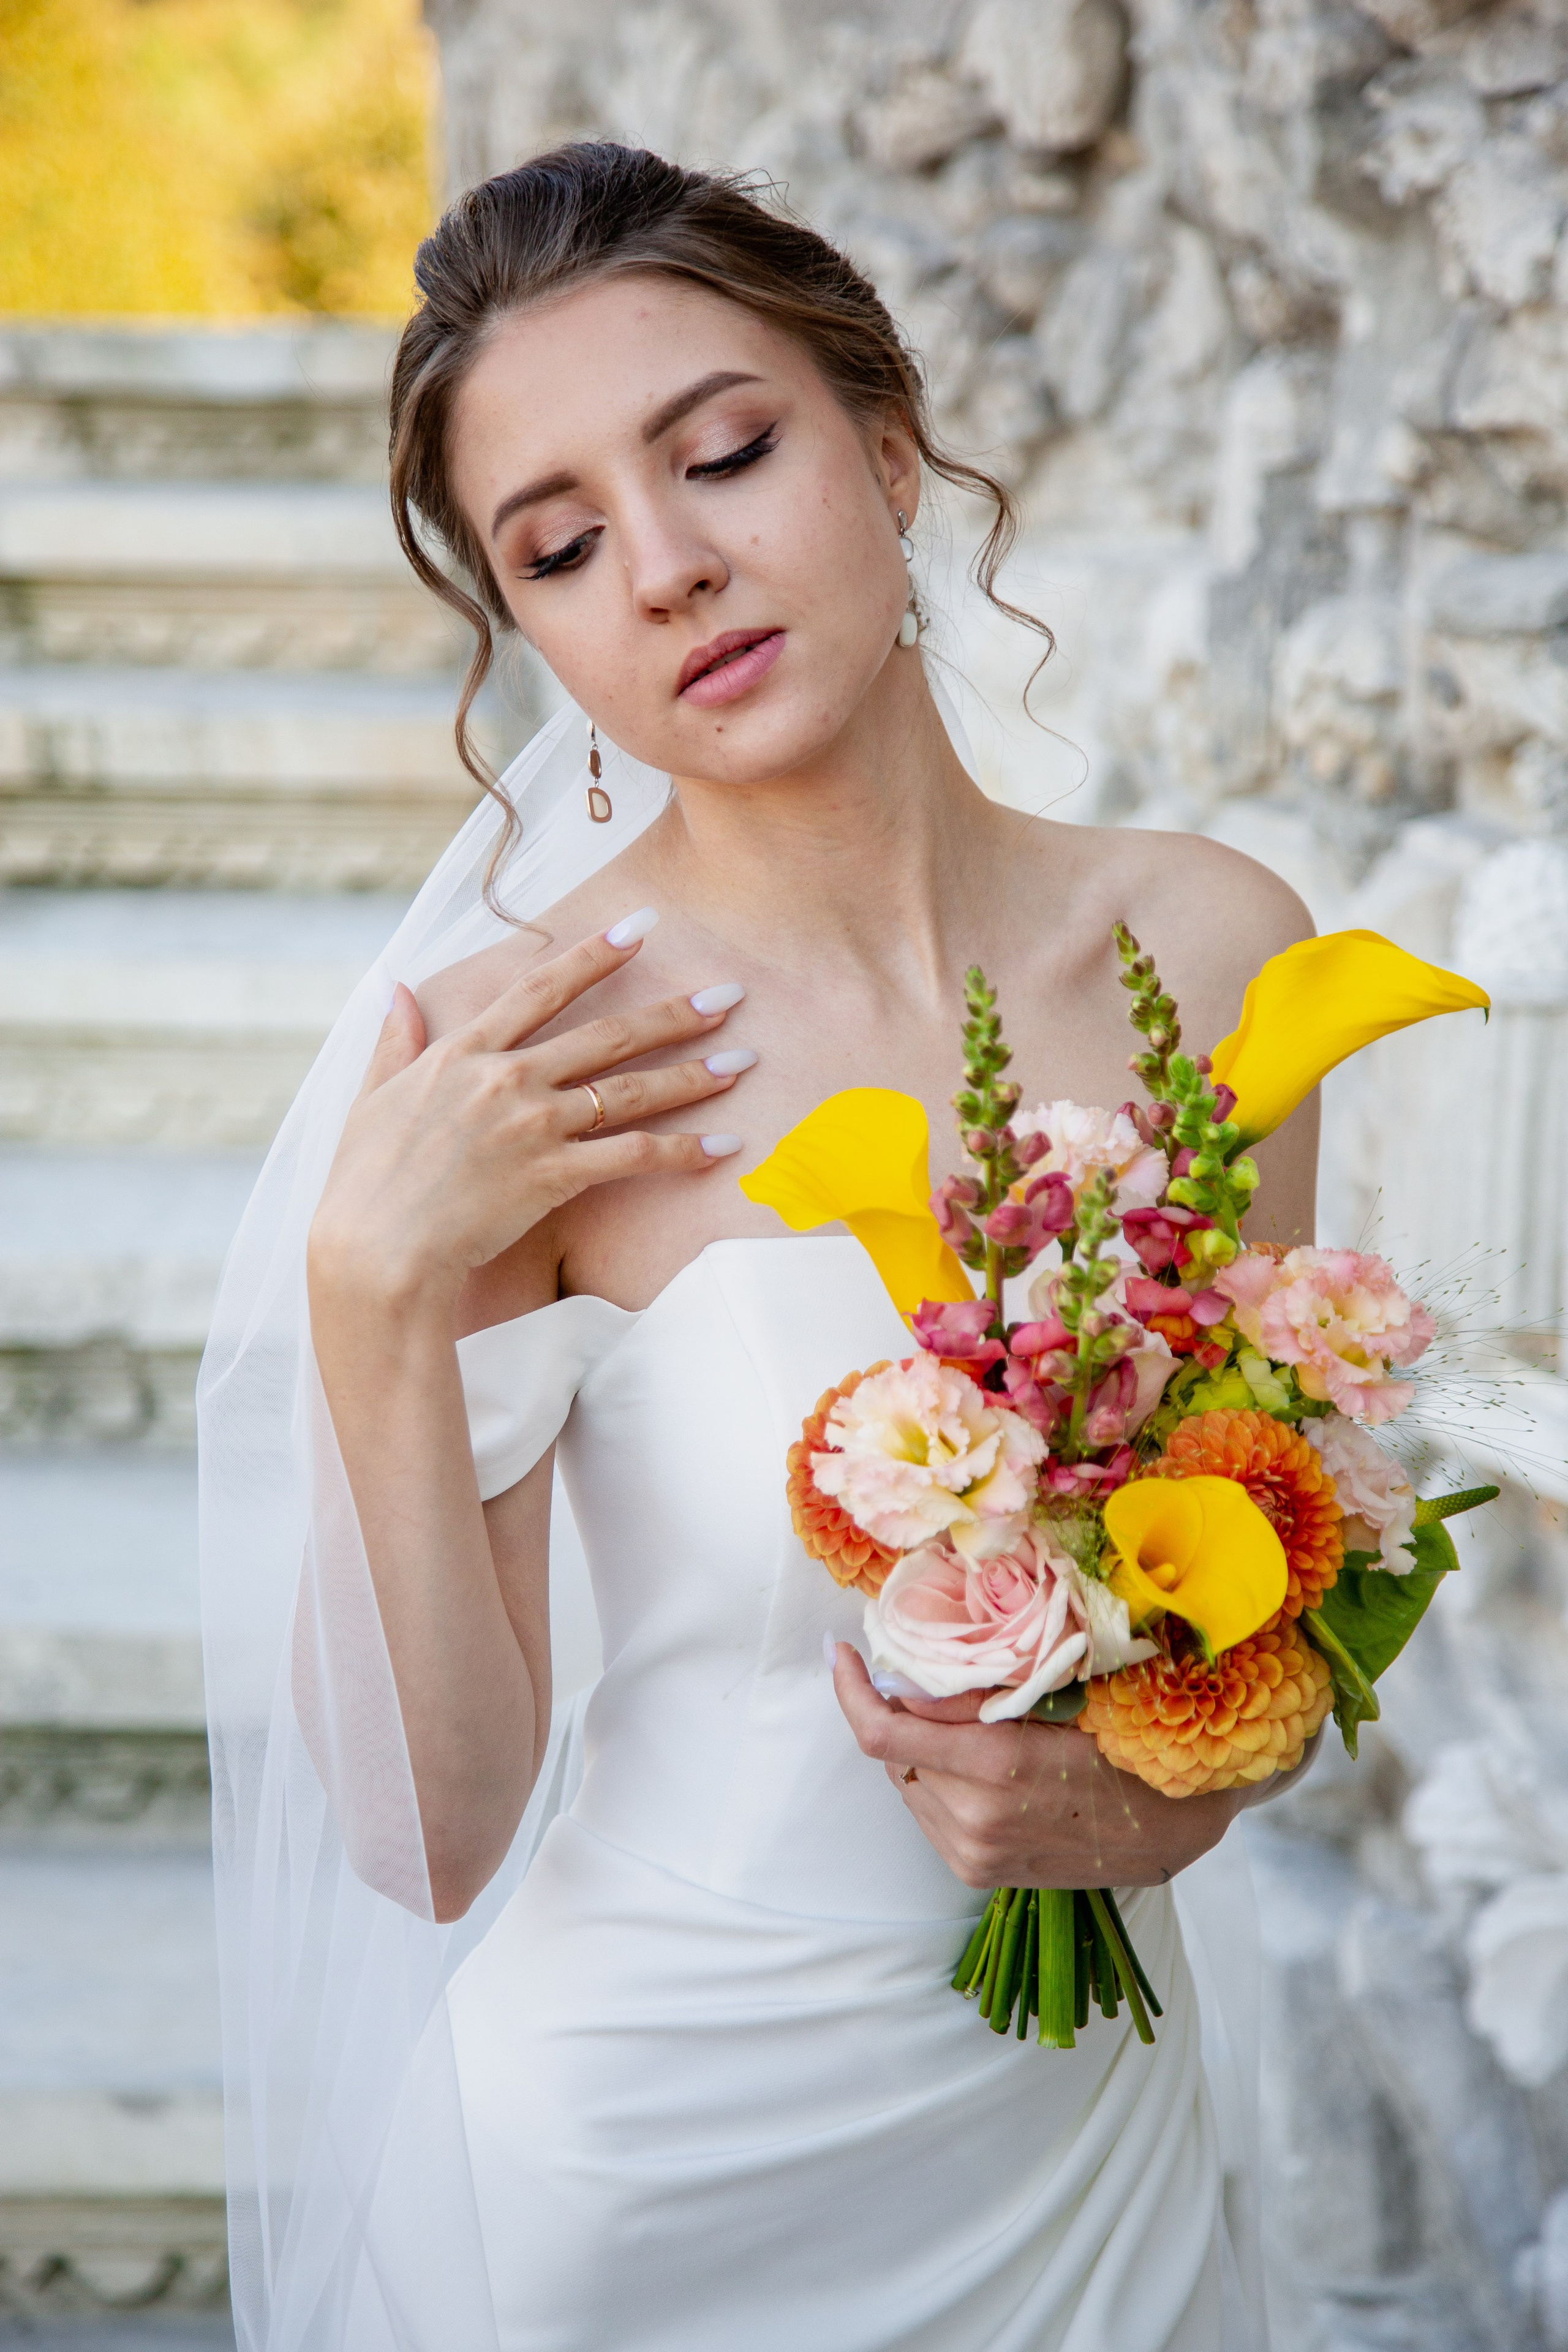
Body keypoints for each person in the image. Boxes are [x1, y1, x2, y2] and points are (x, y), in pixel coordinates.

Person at [201, 141, 1317, 2352]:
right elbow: (431, 1833)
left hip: (1085, 2140)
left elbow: (1283, 1571)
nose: (674, 569)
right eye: (563, 546)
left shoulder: (1213, 948)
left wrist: (1152, 1806)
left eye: (724, 453)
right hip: (638, 2188)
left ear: (888, 449)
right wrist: (375, 1290)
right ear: (525, 630)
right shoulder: (530, 1062)